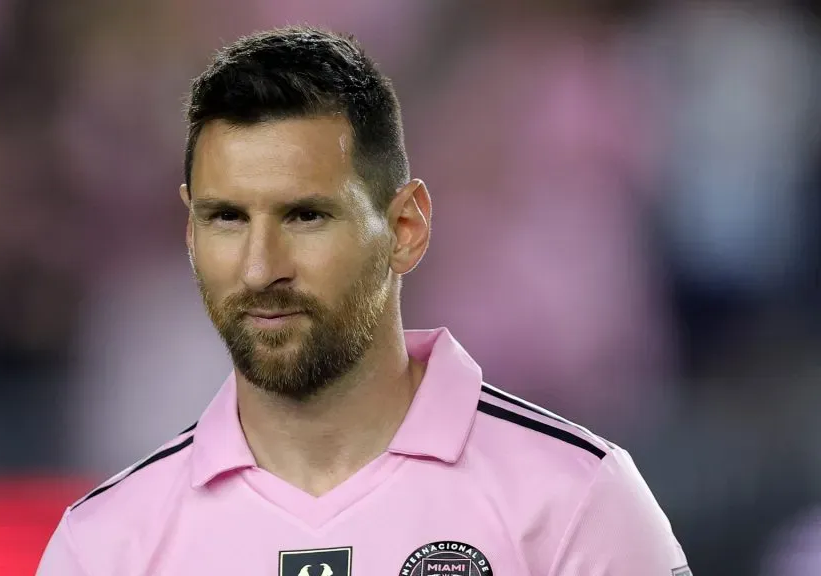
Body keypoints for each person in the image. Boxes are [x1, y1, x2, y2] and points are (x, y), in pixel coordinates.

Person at [37, 26, 691, 576]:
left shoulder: (576, 500)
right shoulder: (104, 545)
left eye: (306, 217)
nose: (262, 268)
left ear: (405, 229)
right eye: (227, 219)